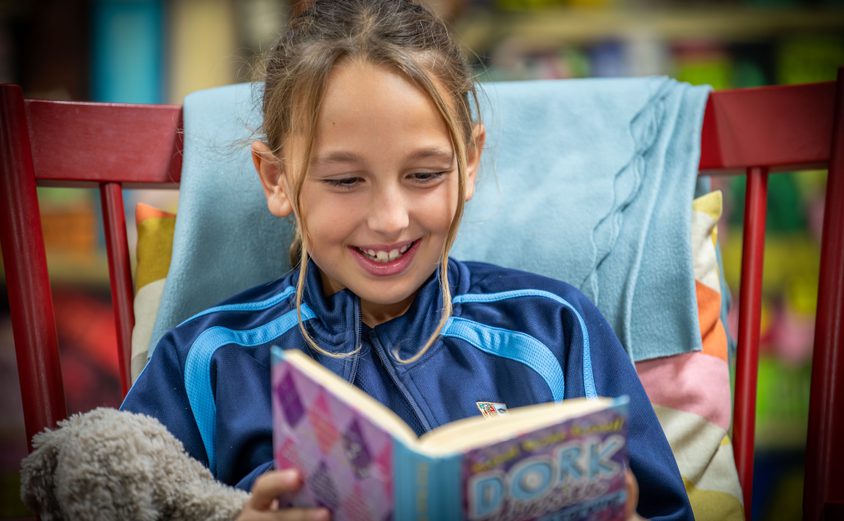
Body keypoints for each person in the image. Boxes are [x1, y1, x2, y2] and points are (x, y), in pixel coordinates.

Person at [121, 0, 693, 519]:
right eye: (346, 180)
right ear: (276, 179)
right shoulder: (209, 358)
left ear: (470, 161)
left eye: (424, 175)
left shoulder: (555, 328)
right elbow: (116, 492)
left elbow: (664, 511)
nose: (391, 218)